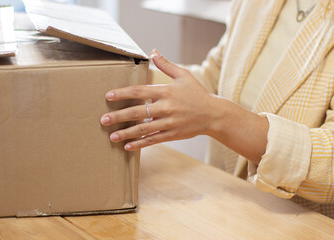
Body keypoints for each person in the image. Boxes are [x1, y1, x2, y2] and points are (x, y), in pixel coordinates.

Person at [101, 0, 334, 218]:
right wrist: (139, 77)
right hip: (222, 209)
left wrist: (218, 117)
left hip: (295, 224)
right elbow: (216, 76)